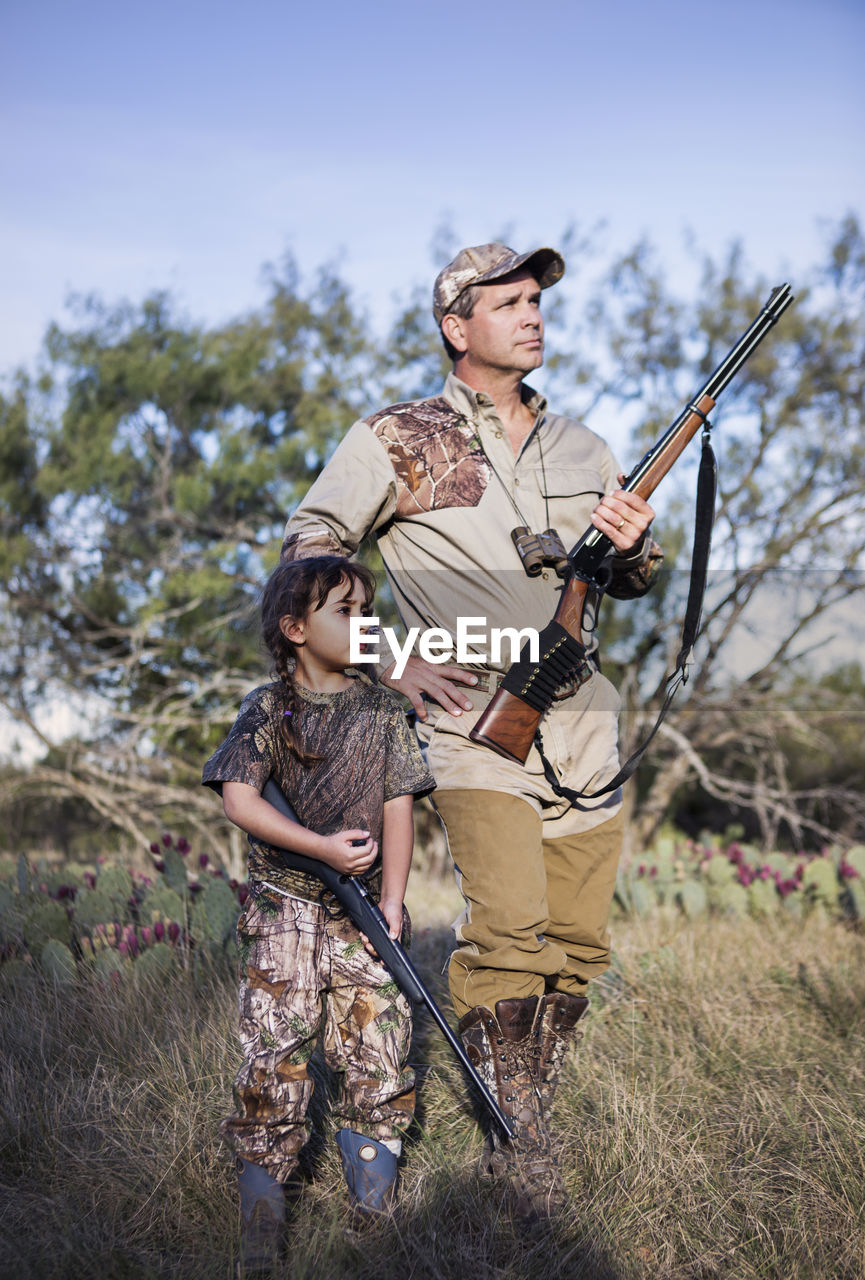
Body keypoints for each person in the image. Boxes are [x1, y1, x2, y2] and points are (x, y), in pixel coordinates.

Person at [281, 243, 661, 1222]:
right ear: (458, 324)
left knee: (575, 941)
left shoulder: (581, 444)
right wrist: (386, 658)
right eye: (509, 302)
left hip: (580, 711)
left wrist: (630, 550)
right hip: (467, 718)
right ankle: (522, 1143)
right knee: (509, 930)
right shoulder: (395, 436)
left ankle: (524, 1095)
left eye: (538, 300)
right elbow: (308, 551)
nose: (532, 315)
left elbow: (635, 573)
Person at [202, 555, 434, 1267]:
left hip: (361, 913)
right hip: (285, 911)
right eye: (346, 611)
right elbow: (239, 798)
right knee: (275, 1054)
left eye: (368, 610)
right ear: (295, 628)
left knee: (378, 1051)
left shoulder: (383, 710)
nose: (364, 624)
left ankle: (373, 1223)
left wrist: (391, 900)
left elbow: (399, 806)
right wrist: (321, 849)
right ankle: (262, 1234)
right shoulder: (269, 709)